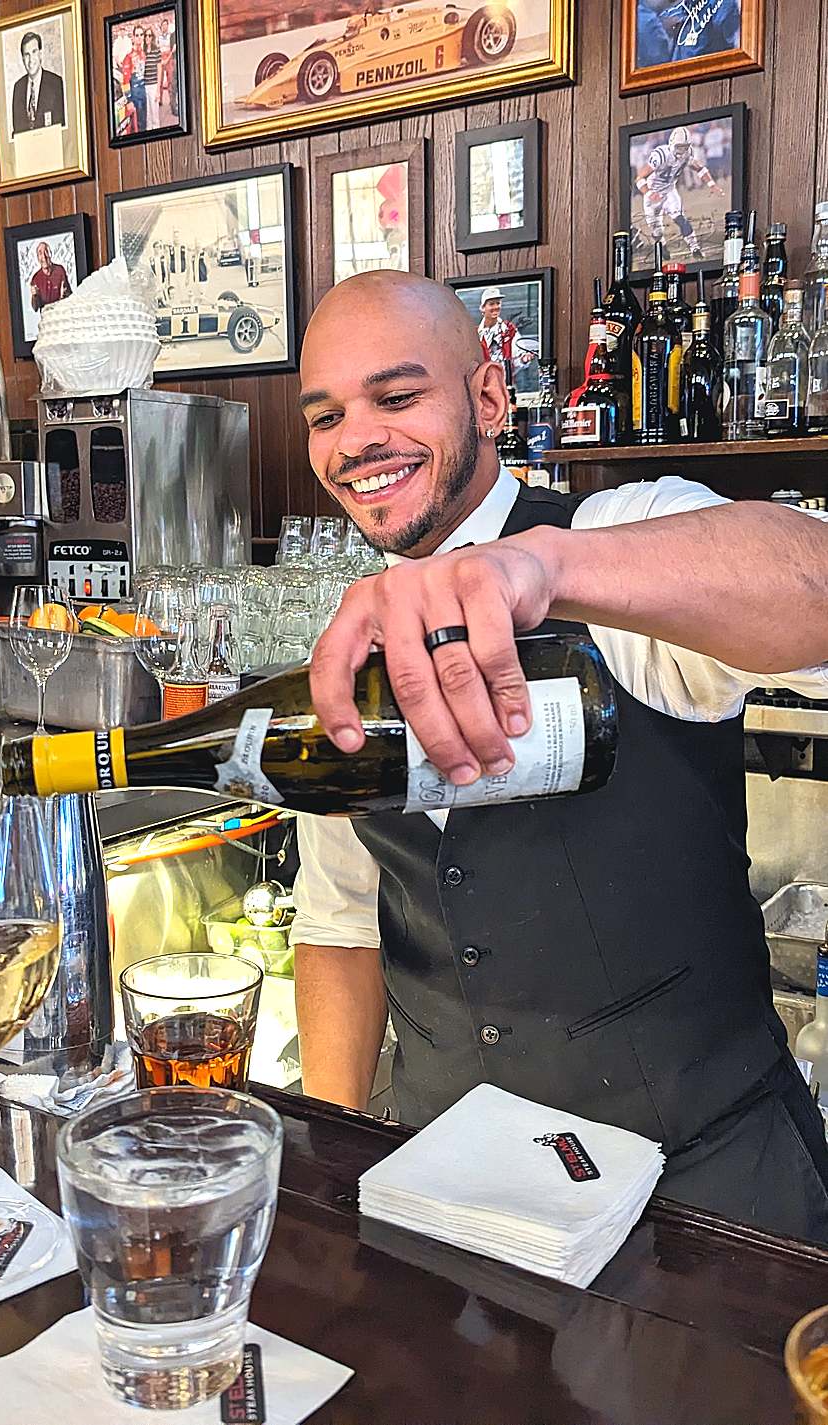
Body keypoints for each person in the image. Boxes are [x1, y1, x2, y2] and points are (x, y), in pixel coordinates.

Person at [292, 269, 828, 1240]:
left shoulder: (616, 540)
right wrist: (333, 1156)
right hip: (444, 1189)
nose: (355, 439)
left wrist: (543, 567)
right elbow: (340, 919)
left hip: (703, 1204)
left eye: (396, 397)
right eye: (324, 416)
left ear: (488, 397)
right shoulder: (349, 642)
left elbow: (814, 582)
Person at [635, 124, 723, 262]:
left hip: (669, 191)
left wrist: (712, 184)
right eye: (679, 147)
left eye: (685, 147)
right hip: (653, 194)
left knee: (680, 218)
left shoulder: (689, 153)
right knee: (656, 230)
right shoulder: (661, 154)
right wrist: (649, 193)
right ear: (672, 144)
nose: (682, 150)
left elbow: (700, 168)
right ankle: (662, 245)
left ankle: (695, 248)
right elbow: (639, 178)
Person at [11, 30, 65, 136]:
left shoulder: (55, 83)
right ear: (22, 59)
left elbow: (62, 127)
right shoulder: (18, 87)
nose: (31, 60)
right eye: (27, 55)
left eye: (34, 52)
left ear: (40, 54)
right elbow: (16, 132)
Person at [477, 286, 532, 387]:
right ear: (483, 308)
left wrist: (524, 359)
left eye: (498, 303)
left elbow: (518, 357)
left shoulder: (509, 329)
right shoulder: (476, 334)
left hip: (507, 387)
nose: (495, 307)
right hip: (485, 389)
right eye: (491, 304)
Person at [29, 240, 71, 311]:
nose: (44, 257)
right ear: (37, 258)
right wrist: (34, 296)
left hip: (61, 311)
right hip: (47, 316)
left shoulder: (60, 270)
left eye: (46, 252)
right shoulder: (36, 278)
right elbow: (35, 308)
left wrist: (64, 293)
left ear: (50, 254)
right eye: (40, 253)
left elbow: (69, 295)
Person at [121, 25, 148, 132]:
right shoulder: (128, 57)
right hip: (135, 95)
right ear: (133, 37)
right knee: (137, 128)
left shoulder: (143, 54)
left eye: (141, 35)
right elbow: (125, 82)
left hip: (144, 93)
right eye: (137, 35)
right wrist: (129, 100)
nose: (139, 37)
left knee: (144, 125)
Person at [143, 26, 161, 132]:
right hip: (145, 85)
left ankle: (156, 132)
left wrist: (158, 89)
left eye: (149, 35)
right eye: (146, 35)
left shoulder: (156, 50)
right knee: (148, 113)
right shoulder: (143, 51)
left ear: (152, 37)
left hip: (154, 85)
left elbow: (159, 69)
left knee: (155, 113)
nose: (147, 37)